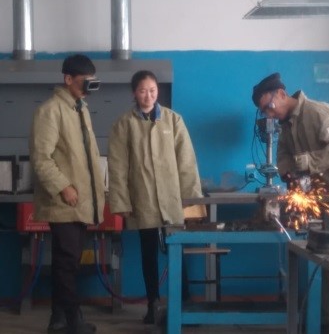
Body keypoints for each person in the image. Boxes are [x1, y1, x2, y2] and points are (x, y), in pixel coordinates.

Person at [252, 72, 329, 334]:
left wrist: (307, 162)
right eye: (264, 112)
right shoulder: (286, 124)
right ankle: (327, 322)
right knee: (323, 264)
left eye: (270, 107)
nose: (270, 115)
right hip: (318, 204)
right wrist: (287, 173)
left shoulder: (318, 112)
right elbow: (283, 157)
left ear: (282, 94)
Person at [107, 70, 204, 324]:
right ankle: (153, 304)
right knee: (148, 253)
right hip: (143, 199)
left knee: (177, 250)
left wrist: (191, 200)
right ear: (134, 93)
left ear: (157, 91)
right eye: (142, 90)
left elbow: (186, 162)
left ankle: (184, 304)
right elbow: (117, 167)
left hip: (172, 199)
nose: (148, 95)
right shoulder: (124, 124)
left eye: (152, 90)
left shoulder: (173, 120)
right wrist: (121, 201)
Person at [29, 54, 106, 334]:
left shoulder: (79, 108)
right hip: (64, 201)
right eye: (85, 81)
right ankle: (73, 320)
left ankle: (58, 319)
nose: (89, 87)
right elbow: (41, 158)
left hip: (80, 201)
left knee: (68, 262)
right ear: (68, 79)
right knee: (66, 264)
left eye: (92, 81)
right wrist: (64, 187)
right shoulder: (50, 111)